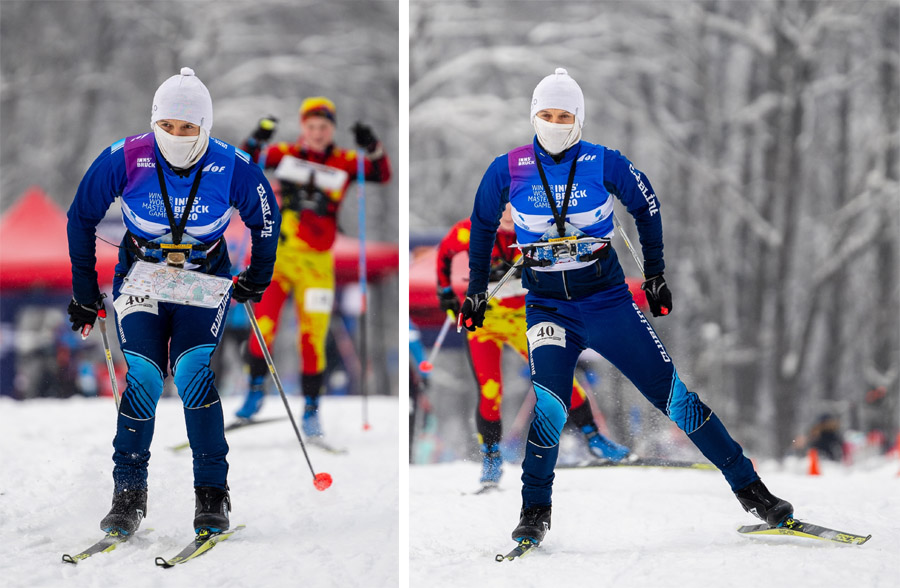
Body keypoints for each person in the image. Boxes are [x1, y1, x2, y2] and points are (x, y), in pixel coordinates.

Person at [460, 68, 793, 546]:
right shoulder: (507, 168)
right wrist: (475, 291)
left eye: (564, 115)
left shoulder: (604, 162)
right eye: (546, 115)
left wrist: (655, 274)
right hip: (548, 308)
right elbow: (482, 226)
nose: (555, 124)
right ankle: (534, 512)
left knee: (674, 397)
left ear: (579, 119)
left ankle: (755, 494)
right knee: (551, 406)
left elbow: (647, 206)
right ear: (533, 117)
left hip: (608, 303)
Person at [66, 67, 281, 536]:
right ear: (154, 122)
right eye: (168, 126)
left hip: (203, 278)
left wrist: (256, 278)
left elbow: (267, 221)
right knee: (142, 371)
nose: (177, 136)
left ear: (205, 126)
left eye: (188, 128)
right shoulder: (125, 158)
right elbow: (80, 217)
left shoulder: (234, 166)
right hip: (142, 274)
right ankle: (128, 495)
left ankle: (211, 495)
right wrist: (85, 293)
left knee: (190, 371)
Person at [436, 205, 631, 489]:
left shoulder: (534, 228)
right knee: (491, 391)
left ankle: (595, 438)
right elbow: (443, 255)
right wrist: (445, 294)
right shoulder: (470, 230)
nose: (505, 211)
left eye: (513, 203)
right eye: (500, 203)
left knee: (557, 378)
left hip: (523, 319)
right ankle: (491, 458)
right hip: (485, 323)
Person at [234, 97, 392, 438]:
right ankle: (255, 390)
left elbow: (381, 173)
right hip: (279, 257)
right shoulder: (287, 154)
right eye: (312, 127)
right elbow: (244, 160)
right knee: (263, 327)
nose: (318, 133)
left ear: (332, 129)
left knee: (312, 338)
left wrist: (372, 146)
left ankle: (311, 410)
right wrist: (258, 136)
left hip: (318, 263)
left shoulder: (345, 161)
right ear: (303, 128)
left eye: (324, 127)